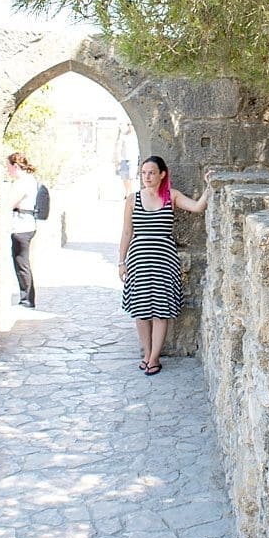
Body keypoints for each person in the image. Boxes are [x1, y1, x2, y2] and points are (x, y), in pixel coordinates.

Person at [119, 156, 210, 375]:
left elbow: (197, 207)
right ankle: (146, 353)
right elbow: (127, 232)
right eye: (143, 173)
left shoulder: (172, 196)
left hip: (164, 261)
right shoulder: (132, 199)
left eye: (151, 172)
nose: (147, 177)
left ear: (162, 174)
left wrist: (209, 186)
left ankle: (154, 358)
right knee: (140, 311)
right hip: (139, 260)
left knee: (161, 311)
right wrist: (121, 262)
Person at [6, 151, 40, 308]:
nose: (7, 170)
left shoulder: (21, 183)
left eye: (8, 167)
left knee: (21, 263)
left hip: (21, 226)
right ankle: (27, 297)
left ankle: (26, 299)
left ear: (15, 166)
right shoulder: (31, 180)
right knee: (23, 262)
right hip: (28, 224)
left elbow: (10, 203)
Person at [114, 122, 137, 198]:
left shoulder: (136, 137)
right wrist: (118, 158)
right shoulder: (124, 136)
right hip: (124, 159)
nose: (130, 126)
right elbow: (119, 147)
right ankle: (127, 191)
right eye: (128, 125)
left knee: (131, 177)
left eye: (131, 125)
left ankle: (131, 193)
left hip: (133, 159)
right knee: (124, 177)